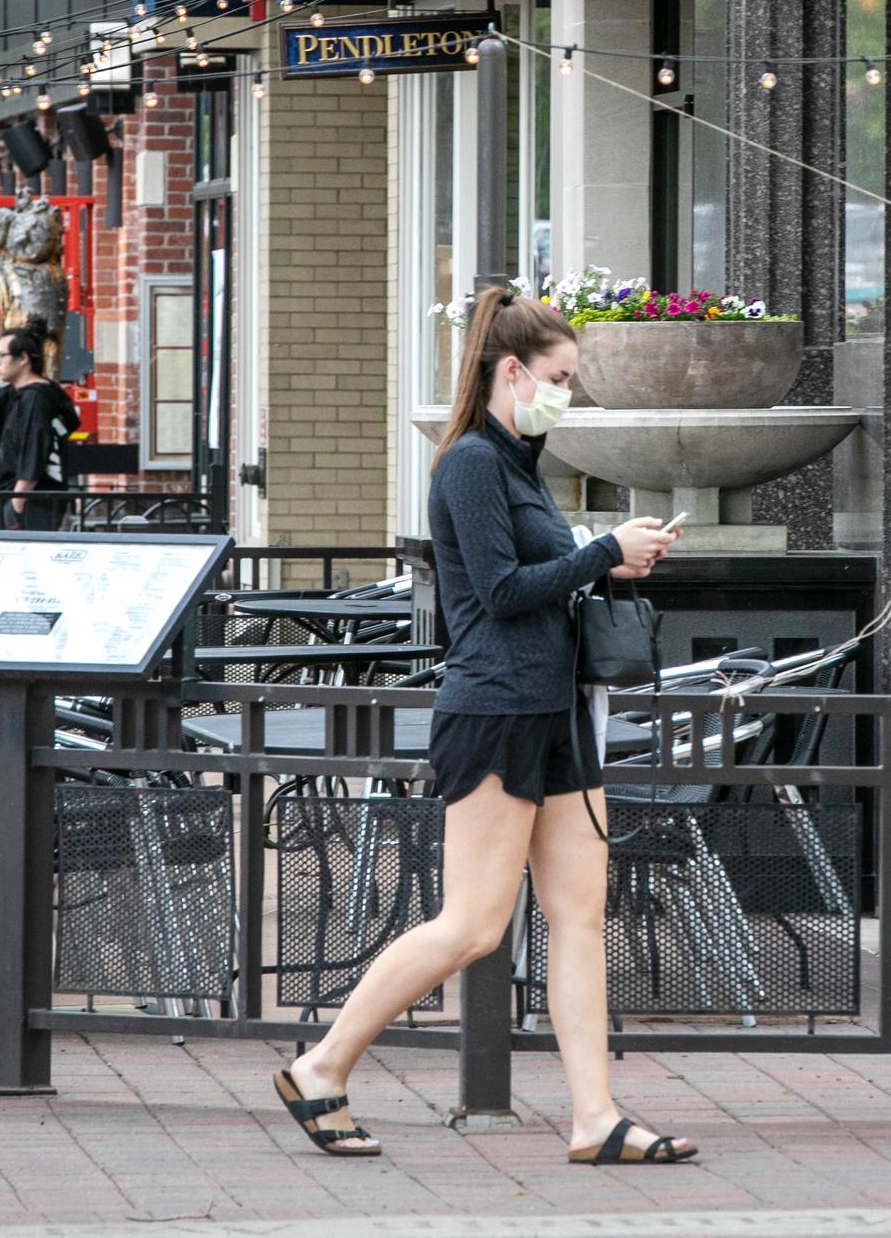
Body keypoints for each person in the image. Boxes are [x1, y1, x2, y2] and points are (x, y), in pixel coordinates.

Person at [273, 287, 695, 1167]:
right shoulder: (469, 461)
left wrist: (613, 563)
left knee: (580, 913)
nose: (566, 394)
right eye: (559, 377)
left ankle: (595, 1119)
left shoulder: (516, 461)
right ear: (513, 370)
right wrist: (601, 553)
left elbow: (541, 578)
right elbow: (498, 595)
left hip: (552, 713)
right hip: (497, 708)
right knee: (472, 925)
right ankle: (321, 1063)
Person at [0, 317, 80, 530]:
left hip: (34, 500)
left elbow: (36, 448)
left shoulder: (37, 398)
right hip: (21, 495)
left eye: (2, 355)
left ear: (23, 359)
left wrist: (18, 499)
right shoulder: (17, 394)